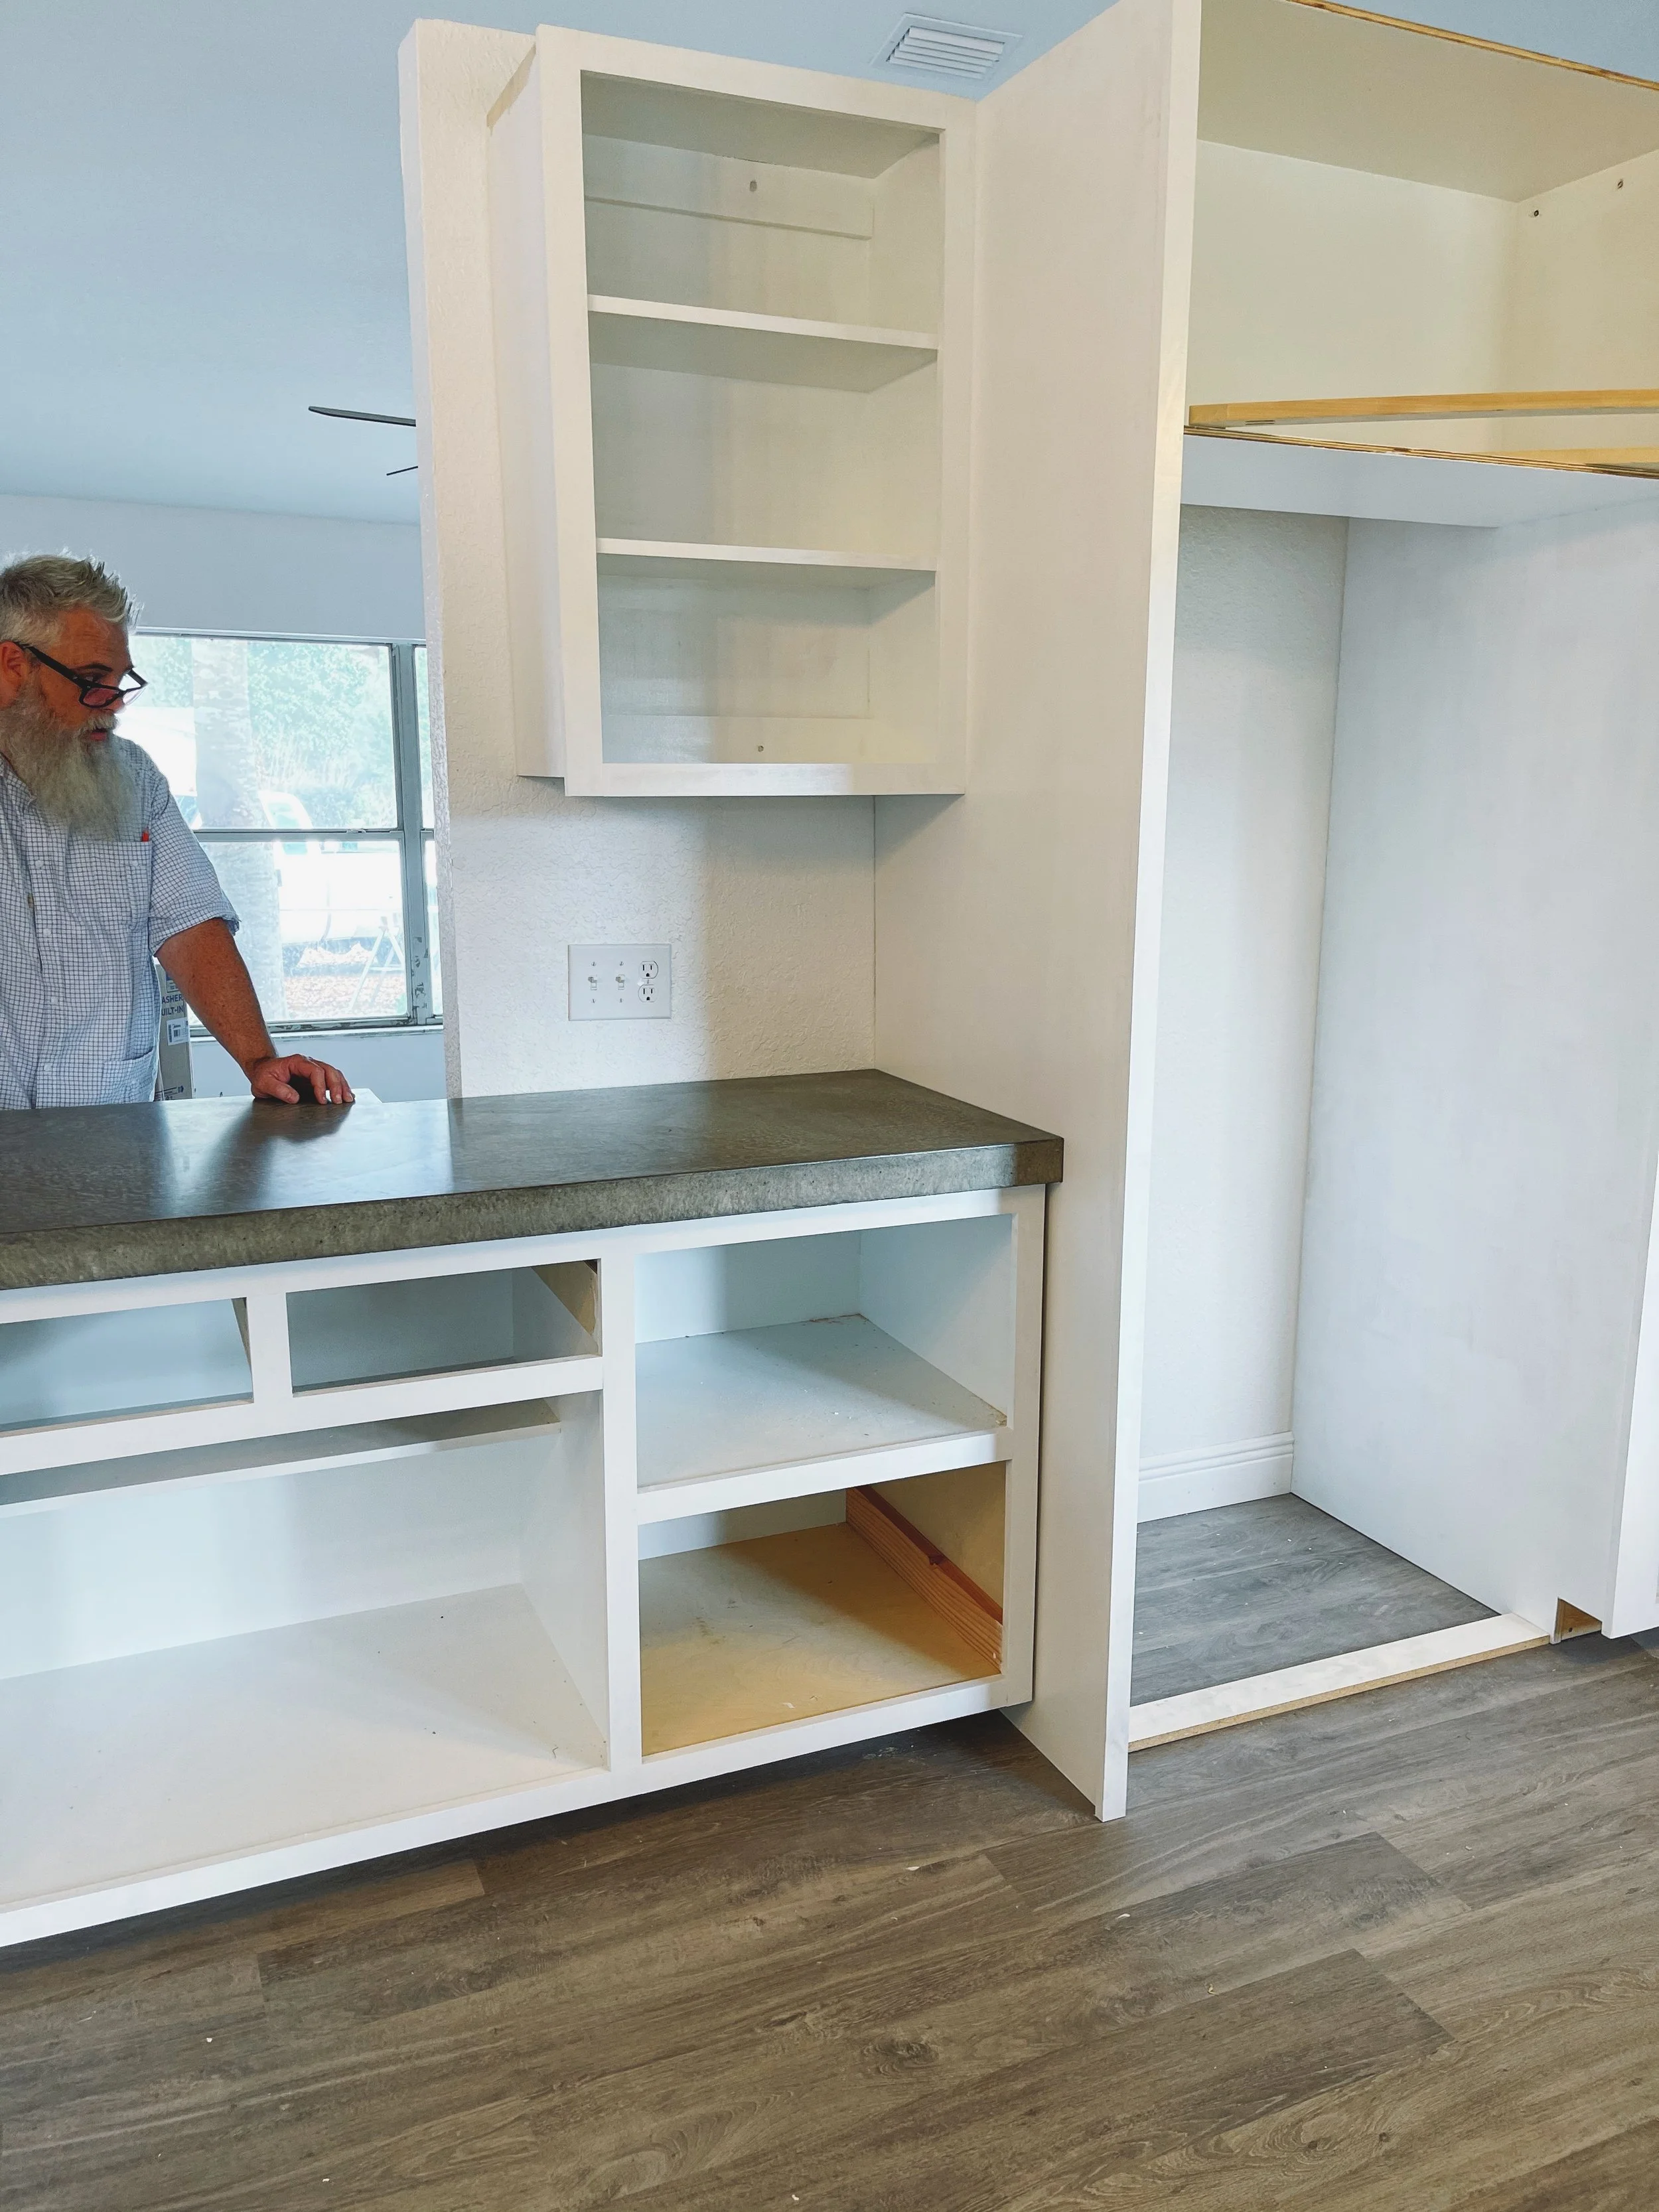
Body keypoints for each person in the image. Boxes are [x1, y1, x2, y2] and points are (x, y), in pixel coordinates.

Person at [0, 553, 352, 1110]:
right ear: (12, 665)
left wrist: (259, 1060)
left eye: (121, 682)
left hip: (114, 1133)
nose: (113, 706)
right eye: (92, 681)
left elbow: (190, 925)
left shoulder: (134, 780)